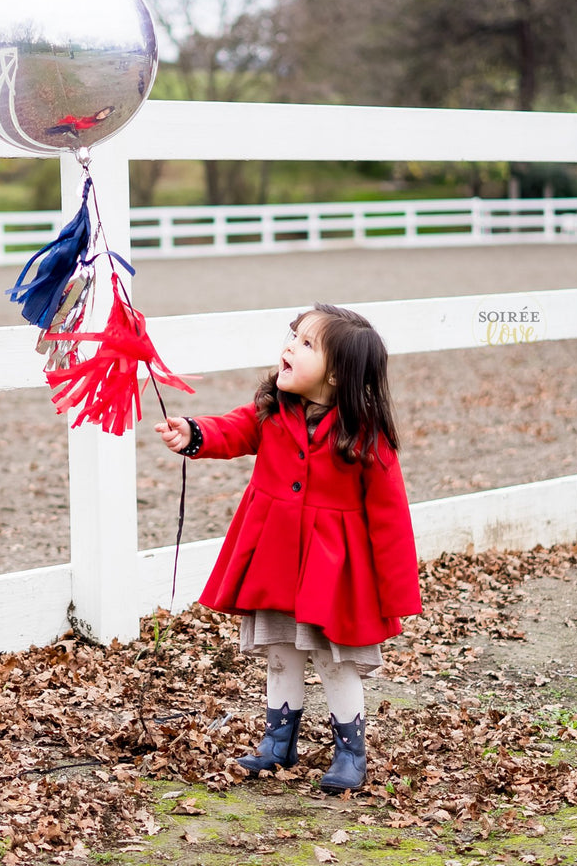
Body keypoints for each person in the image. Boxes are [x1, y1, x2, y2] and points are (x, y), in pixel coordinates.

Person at [154, 303, 422, 792]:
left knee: (334, 660)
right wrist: (193, 433)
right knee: (281, 651)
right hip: (275, 562)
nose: (288, 348)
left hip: (334, 575)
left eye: (305, 344)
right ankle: (278, 742)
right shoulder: (272, 411)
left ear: (338, 374)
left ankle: (351, 752)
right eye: (292, 336)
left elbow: (390, 519)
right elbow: (232, 428)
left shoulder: (365, 436)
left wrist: (395, 593)